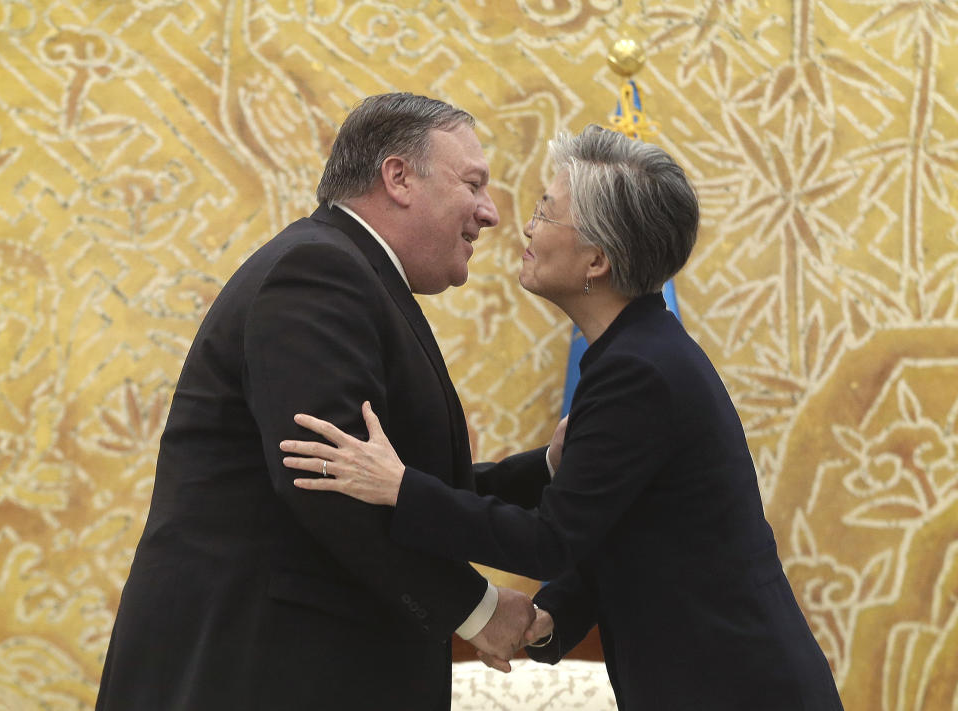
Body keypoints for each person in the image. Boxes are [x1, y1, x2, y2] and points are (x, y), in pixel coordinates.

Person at [281, 125, 846, 710]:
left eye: (547, 213)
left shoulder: (639, 371)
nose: (525, 226)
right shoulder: (638, 352)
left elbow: (550, 541)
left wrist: (401, 489)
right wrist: (549, 618)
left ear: (596, 260)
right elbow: (622, 533)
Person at [95, 93, 546, 711]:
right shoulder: (318, 273)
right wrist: (477, 609)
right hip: (261, 668)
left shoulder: (353, 273)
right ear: (398, 177)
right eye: (473, 183)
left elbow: (394, 487)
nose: (490, 213)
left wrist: (546, 471)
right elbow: (325, 482)